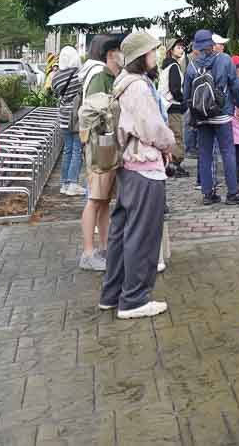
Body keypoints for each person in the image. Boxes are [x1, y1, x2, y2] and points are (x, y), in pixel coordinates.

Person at [98, 30, 176, 318]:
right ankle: (134, 299)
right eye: (151, 51)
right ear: (141, 56)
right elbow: (153, 129)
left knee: (121, 232)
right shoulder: (139, 87)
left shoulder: (122, 82)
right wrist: (171, 142)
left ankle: (113, 293)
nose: (155, 56)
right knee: (143, 236)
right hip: (145, 168)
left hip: (128, 167)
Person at [184, 28, 239, 205]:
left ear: (197, 47)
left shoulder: (191, 65)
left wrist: (194, 115)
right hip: (222, 114)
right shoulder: (224, 60)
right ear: (212, 44)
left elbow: (186, 95)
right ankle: (232, 193)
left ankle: (208, 194)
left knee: (205, 153)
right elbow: (235, 85)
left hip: (202, 116)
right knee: (228, 152)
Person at [78, 33, 125, 271]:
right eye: (121, 50)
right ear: (111, 54)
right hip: (99, 146)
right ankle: (88, 252)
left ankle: (106, 247)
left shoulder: (111, 76)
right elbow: (90, 112)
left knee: (105, 200)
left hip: (107, 145)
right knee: (95, 199)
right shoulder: (99, 76)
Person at [52, 46, 85, 196]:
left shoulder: (56, 76)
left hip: (63, 116)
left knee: (67, 149)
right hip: (76, 116)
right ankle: (72, 183)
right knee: (77, 149)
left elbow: (56, 93)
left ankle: (64, 183)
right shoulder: (79, 74)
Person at [159, 38, 188, 176]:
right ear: (171, 50)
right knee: (176, 135)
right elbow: (175, 88)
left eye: (182, 47)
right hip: (173, 105)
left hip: (165, 105)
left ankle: (171, 163)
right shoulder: (174, 66)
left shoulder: (165, 66)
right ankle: (175, 164)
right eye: (178, 47)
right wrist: (183, 100)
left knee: (170, 135)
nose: (181, 49)